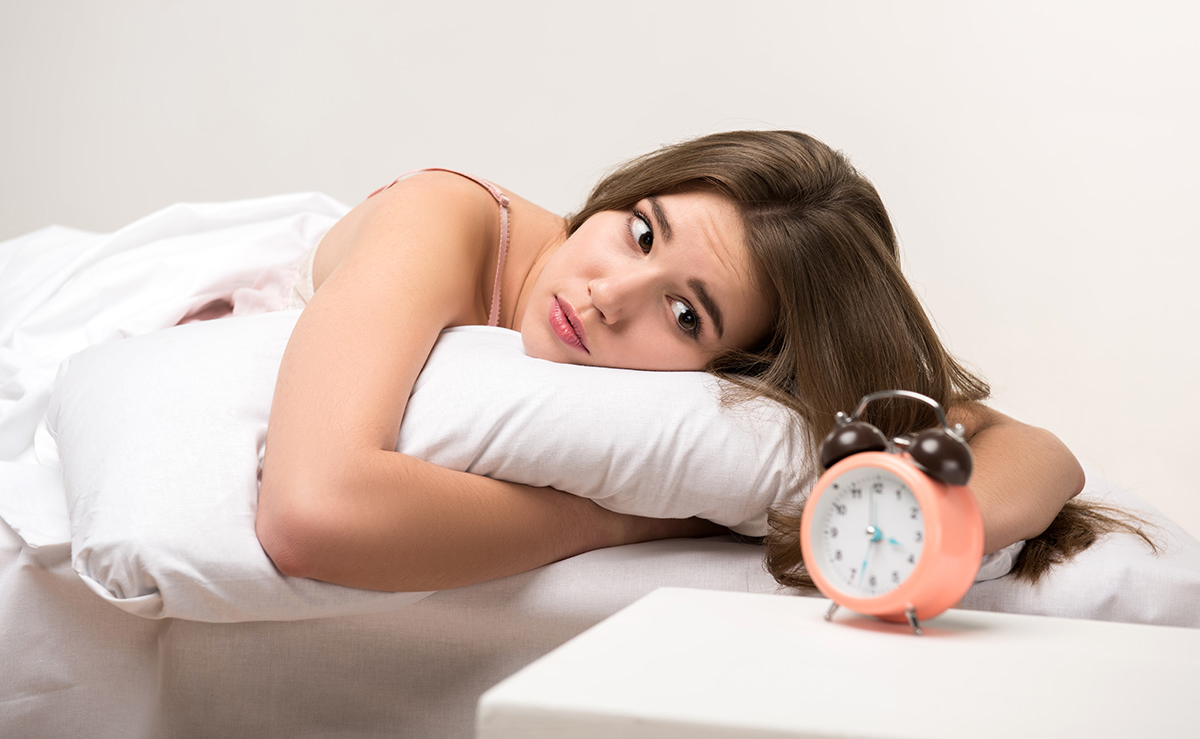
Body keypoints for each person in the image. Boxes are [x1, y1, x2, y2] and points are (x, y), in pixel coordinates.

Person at [256, 130, 1098, 594]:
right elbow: (309, 515)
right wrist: (621, 521)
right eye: (642, 231)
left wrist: (936, 535)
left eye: (686, 311)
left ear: (743, 362)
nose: (609, 294)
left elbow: (1037, 450)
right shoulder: (445, 219)